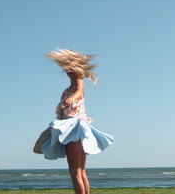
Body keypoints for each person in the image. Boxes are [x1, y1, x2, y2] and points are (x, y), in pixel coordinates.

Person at [33, 49, 114, 194]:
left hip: (73, 128)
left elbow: (79, 91)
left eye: (72, 69)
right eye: (67, 69)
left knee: (75, 171)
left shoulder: (78, 82)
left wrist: (73, 98)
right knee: (80, 171)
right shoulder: (69, 87)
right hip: (75, 127)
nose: (69, 71)